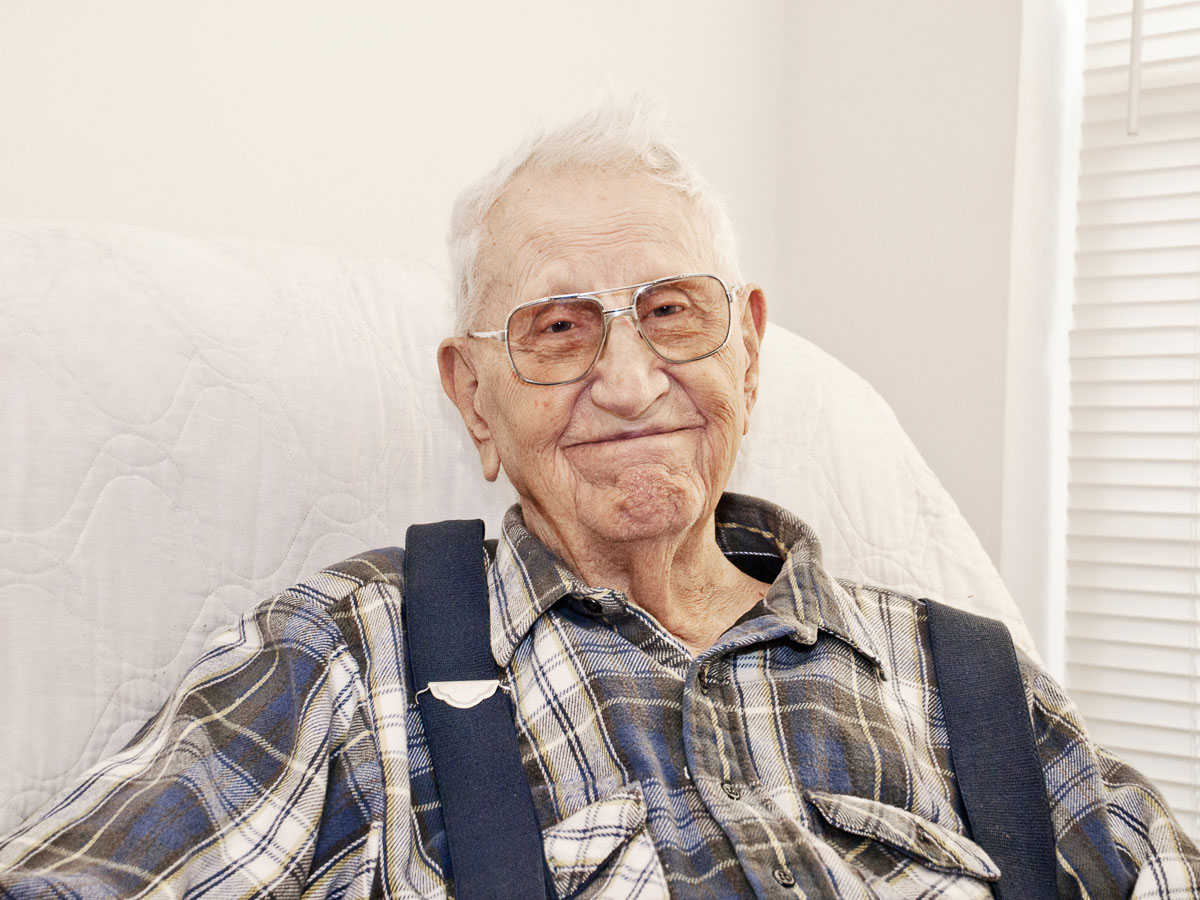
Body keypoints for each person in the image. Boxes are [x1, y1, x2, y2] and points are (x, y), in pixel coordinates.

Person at [1, 102, 1197, 899]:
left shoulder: (972, 688)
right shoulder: (350, 657)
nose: (632, 384)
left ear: (751, 352)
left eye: (673, 311)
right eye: (558, 331)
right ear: (474, 399)